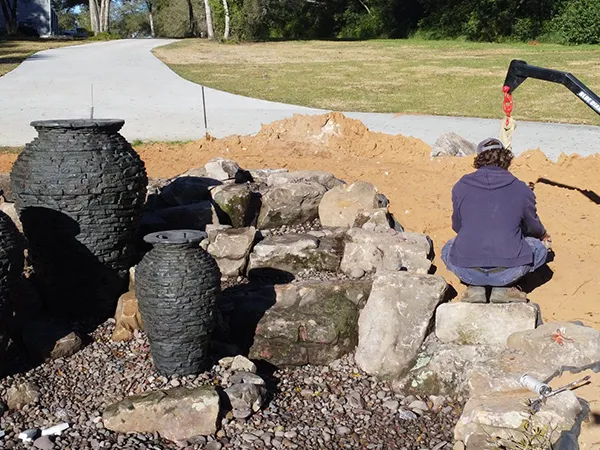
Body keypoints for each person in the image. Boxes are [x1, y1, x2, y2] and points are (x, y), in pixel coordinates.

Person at [441, 138, 551, 303]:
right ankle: (507, 288)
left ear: (479, 158)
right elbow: (533, 227)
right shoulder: (520, 188)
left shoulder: (461, 186)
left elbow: (457, 226)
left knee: (448, 247)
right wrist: (543, 235)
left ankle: (475, 287)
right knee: (539, 248)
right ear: (505, 158)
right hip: (509, 271)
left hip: (467, 269)